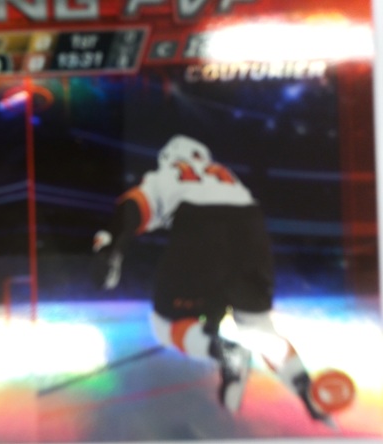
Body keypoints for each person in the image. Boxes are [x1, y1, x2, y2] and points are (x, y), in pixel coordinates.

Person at [92, 134, 334, 425]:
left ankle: (226, 351)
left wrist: (110, 247)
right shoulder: (226, 177)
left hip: (201, 228)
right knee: (257, 327)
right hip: (251, 227)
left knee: (167, 325)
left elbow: (133, 208)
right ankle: (306, 388)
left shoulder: (168, 174)